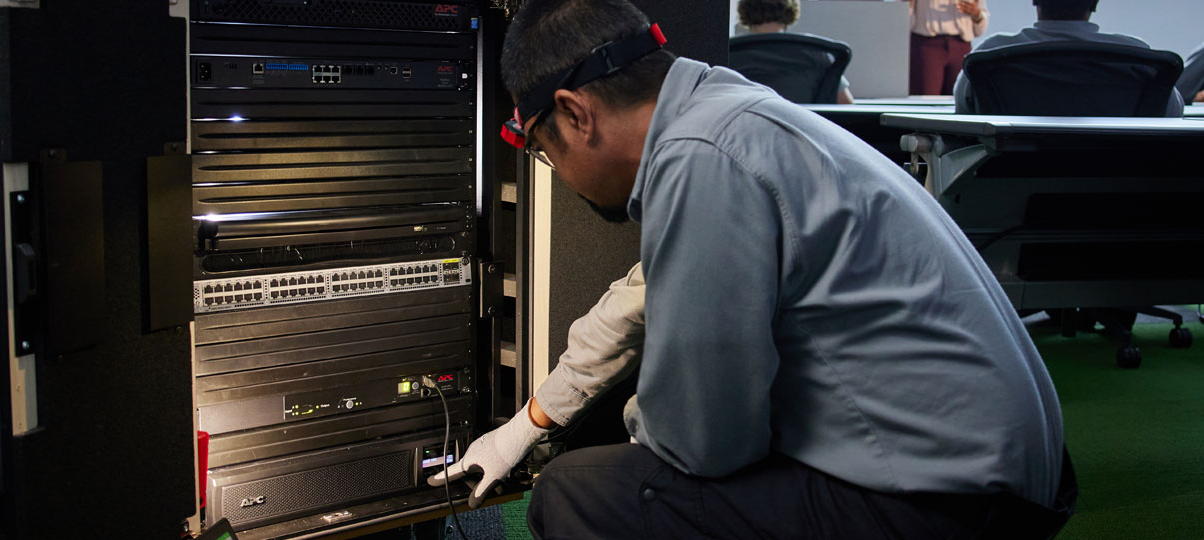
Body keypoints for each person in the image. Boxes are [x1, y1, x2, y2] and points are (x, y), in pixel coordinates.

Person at [432, 0, 1073, 537]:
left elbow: (703, 445)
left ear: (575, 113)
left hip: (951, 504)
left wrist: (641, 431)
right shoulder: (728, 116)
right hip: (1007, 474)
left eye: (543, 150)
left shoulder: (701, 159)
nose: (559, 174)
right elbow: (640, 300)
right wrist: (526, 425)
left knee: (582, 493)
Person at [951, 0, 1184, 116]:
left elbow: (964, 109)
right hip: (1120, 181)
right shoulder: (1141, 59)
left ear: (1035, 1)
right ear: (1094, 3)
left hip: (1008, 182)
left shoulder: (991, 55)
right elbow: (1173, 112)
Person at [734, 0, 855, 104]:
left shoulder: (731, 53)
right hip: (803, 130)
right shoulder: (817, 52)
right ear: (791, 9)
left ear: (743, 10)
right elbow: (846, 106)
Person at [910, 0, 990, 95]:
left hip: (961, 47)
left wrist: (976, 14)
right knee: (926, 99)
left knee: (960, 99)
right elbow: (904, 20)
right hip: (926, 47)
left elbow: (979, 29)